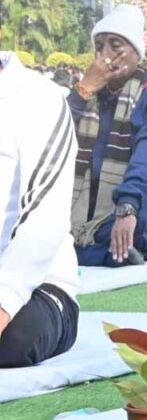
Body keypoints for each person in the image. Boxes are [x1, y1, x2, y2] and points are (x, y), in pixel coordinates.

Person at [66, 5, 147, 267]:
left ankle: (91, 252)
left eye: (116, 45)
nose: (105, 55)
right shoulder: (90, 99)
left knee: (130, 224)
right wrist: (83, 90)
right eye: (99, 47)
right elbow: (51, 136)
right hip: (88, 215)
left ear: (137, 53)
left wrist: (128, 205)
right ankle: (106, 254)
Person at [0, 52, 80, 367]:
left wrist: (4, 301)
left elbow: (45, 217)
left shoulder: (37, 98)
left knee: (17, 338)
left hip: (36, 287)